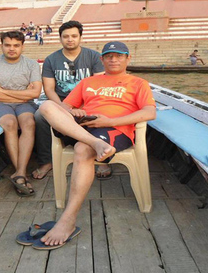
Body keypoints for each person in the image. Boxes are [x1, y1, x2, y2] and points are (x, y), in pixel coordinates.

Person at [32, 41, 156, 249]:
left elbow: (149, 113)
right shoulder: (89, 82)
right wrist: (74, 112)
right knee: (46, 106)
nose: (113, 59)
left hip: (113, 129)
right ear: (102, 60)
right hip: (83, 127)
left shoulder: (138, 83)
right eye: (109, 56)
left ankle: (68, 221)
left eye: (118, 56)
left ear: (127, 58)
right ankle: (94, 143)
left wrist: (109, 121)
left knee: (82, 149)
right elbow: (66, 106)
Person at [32, 20, 105, 181]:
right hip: (61, 103)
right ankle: (46, 161)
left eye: (73, 36)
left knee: (102, 113)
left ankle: (103, 159)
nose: (70, 39)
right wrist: (65, 107)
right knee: (39, 117)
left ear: (80, 37)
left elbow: (98, 86)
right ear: (60, 38)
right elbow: (49, 89)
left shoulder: (93, 57)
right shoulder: (51, 60)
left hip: (88, 101)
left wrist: (84, 106)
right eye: (65, 36)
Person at [0, 31, 42, 196]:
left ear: (22, 46)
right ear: (1, 45)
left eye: (16, 45)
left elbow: (36, 93)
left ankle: (20, 173)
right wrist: (21, 93)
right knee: (9, 123)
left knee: (29, 123)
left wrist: (2, 90)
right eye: (7, 45)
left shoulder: (31, 65)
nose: (11, 49)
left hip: (25, 105)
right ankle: (21, 173)